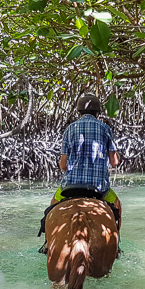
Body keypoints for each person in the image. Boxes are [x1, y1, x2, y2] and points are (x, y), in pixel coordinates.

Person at [38, 94, 121, 248]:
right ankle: (115, 247)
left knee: (53, 205)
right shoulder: (105, 128)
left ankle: (48, 244)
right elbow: (114, 162)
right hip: (99, 188)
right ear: (98, 112)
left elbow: (63, 165)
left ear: (78, 111)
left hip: (70, 187)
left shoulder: (70, 129)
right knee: (117, 205)